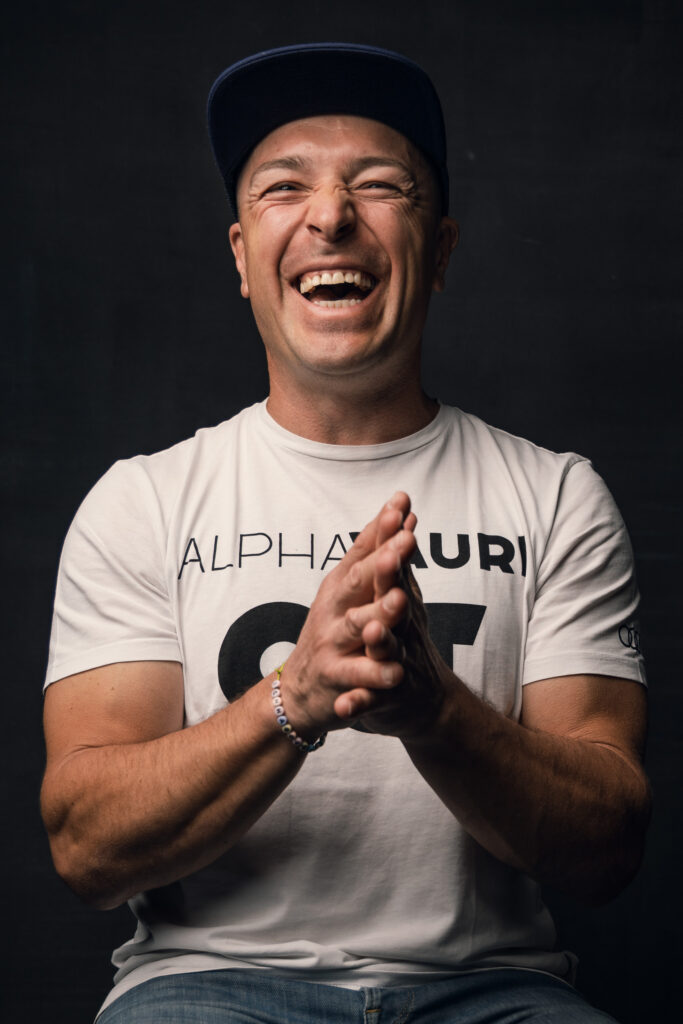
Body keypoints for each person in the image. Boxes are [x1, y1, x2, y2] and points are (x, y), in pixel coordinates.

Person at [41, 43, 650, 1024]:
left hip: (490, 991)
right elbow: (85, 845)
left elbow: (607, 846)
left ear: (439, 251)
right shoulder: (143, 501)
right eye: (284, 187)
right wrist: (294, 697)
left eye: (377, 184)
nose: (329, 216)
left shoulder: (554, 496)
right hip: (203, 985)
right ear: (241, 256)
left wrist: (433, 712)